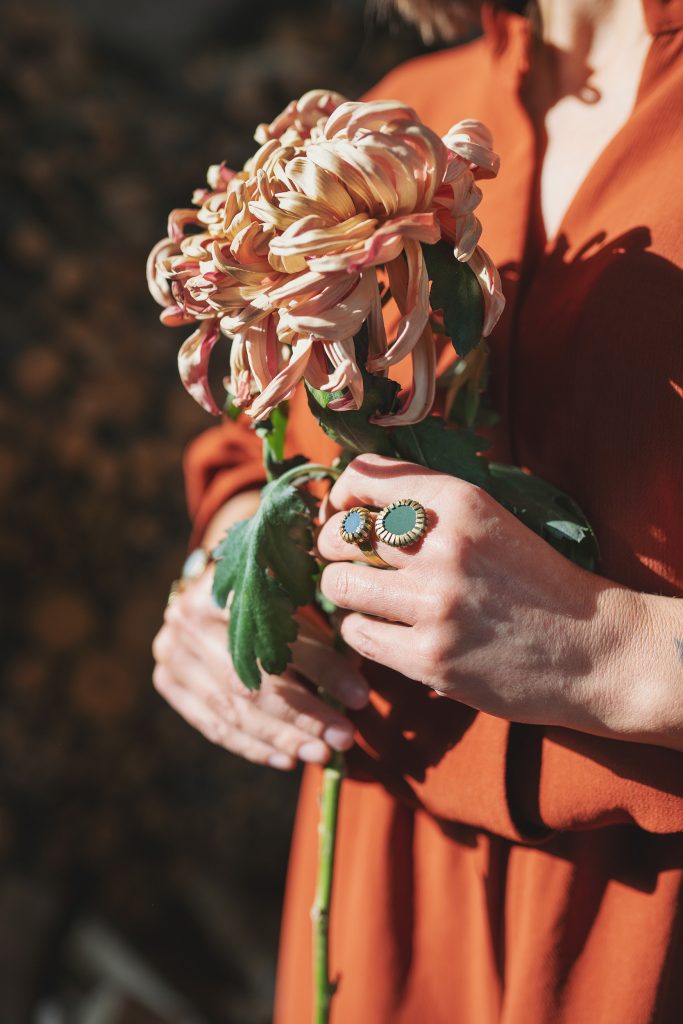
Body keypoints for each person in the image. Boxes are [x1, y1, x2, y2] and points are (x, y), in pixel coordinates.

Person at [152, 1, 683, 1020]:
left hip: (647, 931)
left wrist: (605, 649)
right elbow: (245, 456)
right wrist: (225, 581)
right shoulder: (381, 130)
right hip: (373, 896)